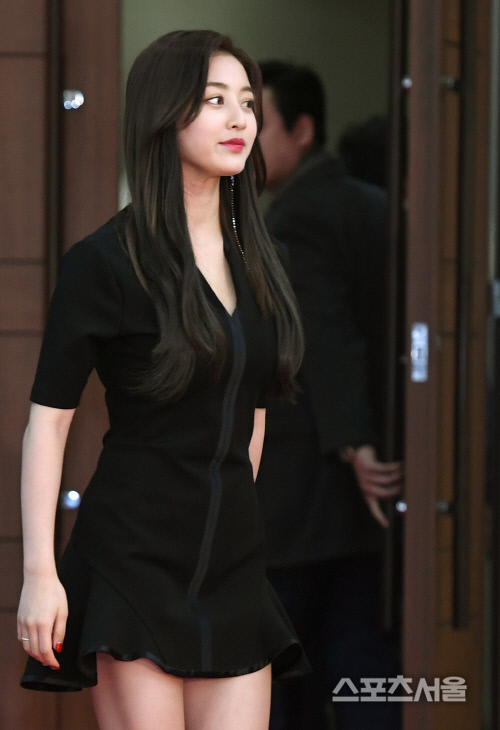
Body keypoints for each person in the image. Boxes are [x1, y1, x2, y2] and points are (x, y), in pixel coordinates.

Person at [17, 32, 309, 730]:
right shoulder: (104, 262)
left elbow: (254, 412)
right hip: (132, 561)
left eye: (248, 103)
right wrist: (39, 574)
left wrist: (237, 520)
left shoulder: (265, 261)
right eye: (215, 101)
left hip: (233, 567)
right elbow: (48, 424)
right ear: (163, 113)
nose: (240, 120)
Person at [255, 61, 403, 729]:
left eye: (259, 121)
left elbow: (327, 335)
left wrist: (354, 442)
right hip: (363, 498)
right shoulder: (376, 205)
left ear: (303, 130)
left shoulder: (298, 217)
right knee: (364, 664)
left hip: (310, 488)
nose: (244, 137)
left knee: (292, 672)